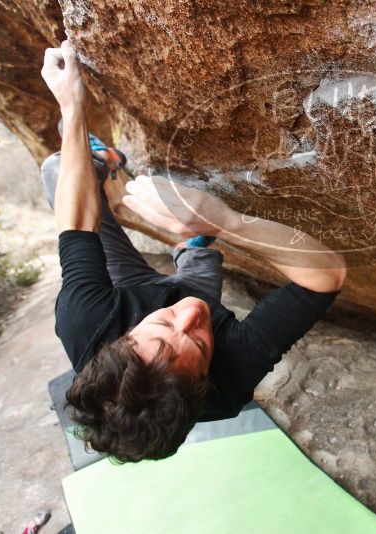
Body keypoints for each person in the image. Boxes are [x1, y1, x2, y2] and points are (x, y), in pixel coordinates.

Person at [40, 41, 347, 463]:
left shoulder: (85, 322)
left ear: (122, 338)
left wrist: (72, 105)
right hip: (175, 290)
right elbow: (326, 276)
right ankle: (193, 247)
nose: (189, 314)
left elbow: (76, 222)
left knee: (56, 170)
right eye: (200, 346)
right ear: (205, 380)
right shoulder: (229, 381)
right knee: (197, 265)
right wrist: (224, 222)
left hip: (127, 289)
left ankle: (104, 160)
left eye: (163, 327)